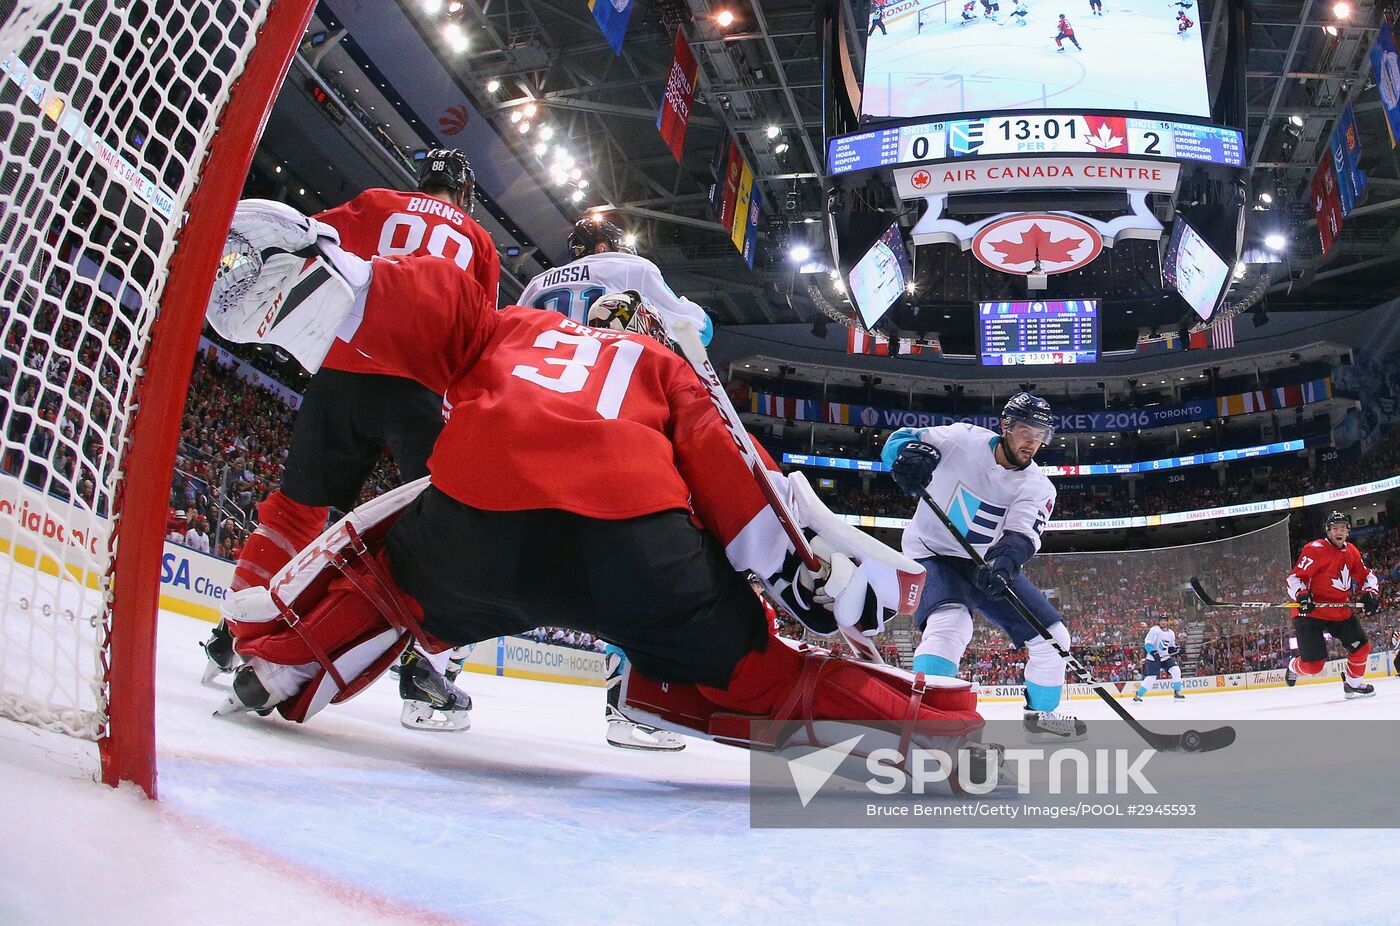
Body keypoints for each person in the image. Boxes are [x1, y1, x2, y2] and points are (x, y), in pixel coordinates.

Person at [202, 207, 982, 769]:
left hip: (476, 526)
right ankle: (928, 728)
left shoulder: (508, 325)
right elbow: (733, 478)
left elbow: (427, 310)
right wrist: (796, 578)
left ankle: (282, 666)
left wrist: (344, 277)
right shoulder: (664, 364)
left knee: (384, 572)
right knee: (760, 672)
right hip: (634, 551)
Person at [202, 149, 496, 732]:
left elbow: (308, 245)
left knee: (294, 510)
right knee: (440, 530)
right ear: (463, 194)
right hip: (421, 386)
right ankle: (423, 669)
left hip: (345, 368)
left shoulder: (376, 204)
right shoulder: (480, 244)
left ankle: (235, 635)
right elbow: (480, 334)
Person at [519, 216, 714, 751]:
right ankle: (628, 706)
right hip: (605, 420)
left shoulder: (539, 283)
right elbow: (692, 330)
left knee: (499, 552)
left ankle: (433, 674)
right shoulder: (632, 267)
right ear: (611, 244)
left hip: (533, 423)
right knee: (631, 567)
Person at [882, 393, 1086, 742]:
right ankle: (925, 719)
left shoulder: (1037, 486)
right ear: (1005, 426)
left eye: (1041, 434)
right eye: (1026, 430)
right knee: (951, 621)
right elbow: (898, 440)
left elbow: (1021, 535)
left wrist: (1004, 564)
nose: (1032, 442)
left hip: (986, 563)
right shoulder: (961, 439)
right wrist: (902, 457)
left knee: (1054, 639)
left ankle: (1041, 717)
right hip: (931, 551)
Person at [1283, 511, 1380, 699]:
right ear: (1328, 531)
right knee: (1313, 666)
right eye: (1335, 528)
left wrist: (1371, 593)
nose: (1339, 531)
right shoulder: (1315, 549)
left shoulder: (1351, 551)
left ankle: (1353, 685)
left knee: (1361, 648)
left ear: (1348, 531)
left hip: (1338, 609)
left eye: (1343, 528)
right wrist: (1302, 596)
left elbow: (1366, 575)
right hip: (1310, 612)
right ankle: (1293, 665)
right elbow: (1295, 578)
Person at [1132, 618, 1183, 701]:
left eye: (1165, 620)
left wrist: (1176, 649)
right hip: (1153, 658)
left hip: (1165, 658)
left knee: (1176, 670)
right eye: (1161, 620)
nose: (1163, 622)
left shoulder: (1171, 633)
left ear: (1167, 622)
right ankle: (1139, 695)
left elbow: (1170, 647)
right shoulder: (1154, 630)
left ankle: (1177, 692)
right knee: (1151, 678)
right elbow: (1148, 643)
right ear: (1159, 622)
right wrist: (1153, 652)